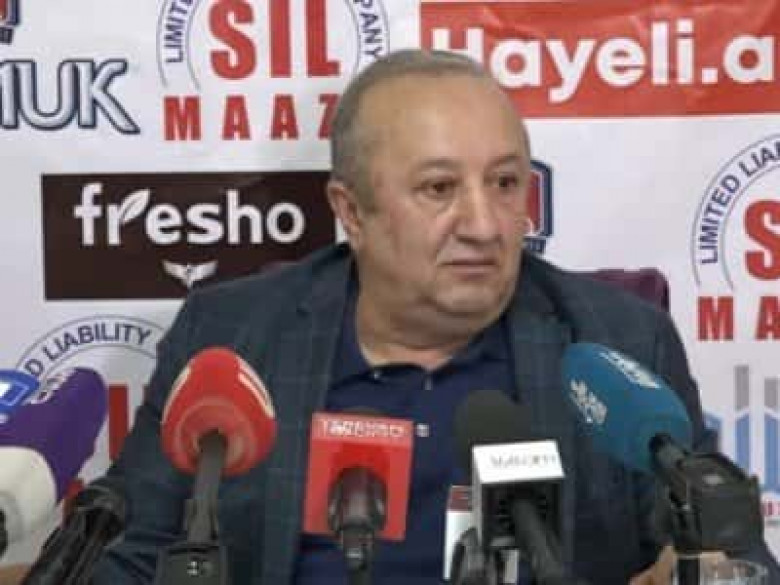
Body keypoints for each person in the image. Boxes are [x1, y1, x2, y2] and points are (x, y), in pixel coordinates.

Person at [89, 49, 779, 584]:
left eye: (505, 183)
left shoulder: (617, 340)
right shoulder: (231, 337)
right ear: (351, 211)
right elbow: (127, 556)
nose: (484, 224)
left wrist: (705, 568)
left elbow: (734, 551)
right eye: (439, 188)